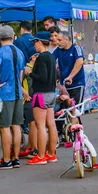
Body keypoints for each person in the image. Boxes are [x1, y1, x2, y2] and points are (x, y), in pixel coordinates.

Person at [0, 25, 25, 170]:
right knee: (16, 126)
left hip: (5, 93)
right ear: (13, 37)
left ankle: (6, 160)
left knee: (5, 127)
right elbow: (21, 73)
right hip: (17, 92)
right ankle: (16, 158)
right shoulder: (20, 52)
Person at [25, 31, 59, 165]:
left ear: (40, 41)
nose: (34, 45)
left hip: (41, 94)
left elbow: (42, 77)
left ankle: (40, 156)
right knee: (51, 124)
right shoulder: (50, 56)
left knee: (40, 125)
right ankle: (51, 154)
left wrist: (30, 73)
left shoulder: (41, 58)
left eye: (34, 42)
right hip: (51, 93)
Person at [55, 31, 85, 113]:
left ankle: (76, 125)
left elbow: (80, 62)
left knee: (74, 110)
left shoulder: (76, 48)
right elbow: (50, 60)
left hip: (77, 84)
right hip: (64, 86)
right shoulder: (58, 50)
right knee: (64, 111)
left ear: (67, 39)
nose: (57, 42)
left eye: (59, 40)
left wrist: (70, 76)